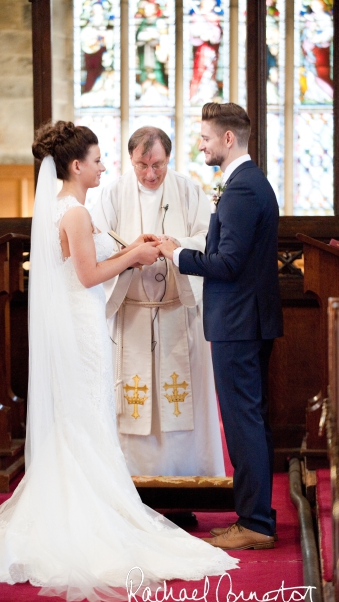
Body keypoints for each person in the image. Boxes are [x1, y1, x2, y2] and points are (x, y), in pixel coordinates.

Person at [0, 120, 238, 601]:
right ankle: (93, 515)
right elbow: (88, 274)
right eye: (98, 160)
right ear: (76, 165)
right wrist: (136, 256)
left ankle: (83, 505)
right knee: (87, 420)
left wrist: (131, 248)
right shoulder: (75, 212)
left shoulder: (68, 207)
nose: (107, 167)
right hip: (84, 327)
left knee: (85, 421)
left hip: (90, 324)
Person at [157, 102, 283, 550]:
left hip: (238, 323)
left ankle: (255, 524)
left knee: (243, 421)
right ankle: (258, 517)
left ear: (228, 139)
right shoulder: (245, 183)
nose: (201, 144)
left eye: (205, 137)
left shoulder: (243, 189)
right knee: (250, 420)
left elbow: (227, 263)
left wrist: (175, 254)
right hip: (246, 319)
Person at [92, 126, 224, 479]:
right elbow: (99, 245)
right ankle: (134, 487)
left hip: (177, 312)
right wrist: (133, 251)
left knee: (181, 401)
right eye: (142, 165)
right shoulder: (112, 193)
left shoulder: (187, 190)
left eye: (158, 165)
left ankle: (186, 480)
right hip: (133, 312)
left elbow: (207, 239)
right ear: (130, 160)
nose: (150, 174)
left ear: (169, 158)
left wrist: (174, 245)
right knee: (134, 406)